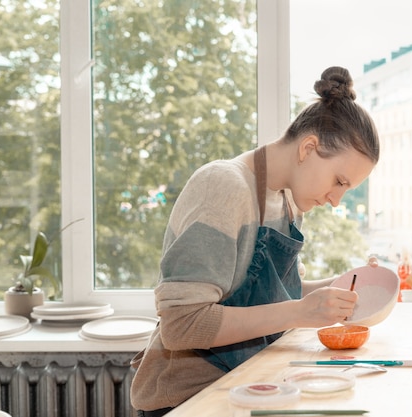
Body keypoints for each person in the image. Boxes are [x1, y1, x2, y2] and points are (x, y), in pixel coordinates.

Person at [130, 66, 380, 417]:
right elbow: (181, 326)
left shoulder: (288, 201)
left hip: (245, 385)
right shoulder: (223, 186)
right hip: (188, 400)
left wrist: (343, 286)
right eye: (339, 182)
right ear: (309, 147)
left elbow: (277, 293)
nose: (336, 200)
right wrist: (300, 313)